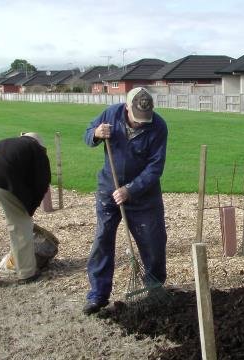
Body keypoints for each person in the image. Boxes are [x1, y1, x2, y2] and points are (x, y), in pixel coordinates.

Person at [82, 87, 168, 315]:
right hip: (108, 190)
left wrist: (131, 190)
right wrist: (96, 134)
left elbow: (155, 167)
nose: (141, 123)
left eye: (145, 119)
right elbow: (87, 134)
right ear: (126, 107)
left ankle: (154, 287)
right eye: (137, 118)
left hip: (143, 195)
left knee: (153, 240)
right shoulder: (110, 114)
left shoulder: (158, 126)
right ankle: (98, 294)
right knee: (103, 239)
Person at [0, 132, 51, 291]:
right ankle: (26, 273)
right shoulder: (36, 149)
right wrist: (30, 208)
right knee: (19, 226)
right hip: (4, 183)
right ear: (40, 145)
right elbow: (42, 182)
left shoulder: (3, 142)